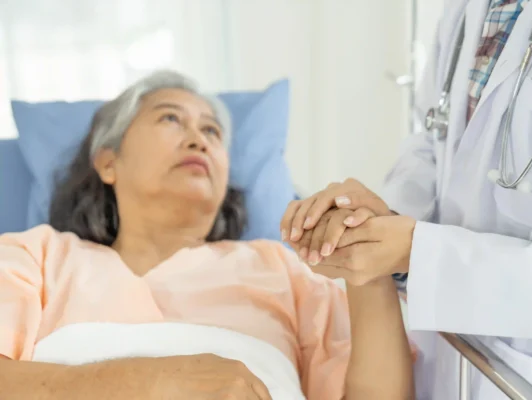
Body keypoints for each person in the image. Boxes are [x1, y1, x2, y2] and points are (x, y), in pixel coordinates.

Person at [0, 70, 415, 400]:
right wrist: (147, 383)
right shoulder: (35, 256)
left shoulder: (284, 269)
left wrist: (370, 268)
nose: (198, 139)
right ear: (108, 162)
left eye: (213, 132)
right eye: (170, 118)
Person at [281, 1, 532, 399]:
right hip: (444, 357)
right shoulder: (466, 10)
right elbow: (433, 143)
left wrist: (418, 252)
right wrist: (378, 220)